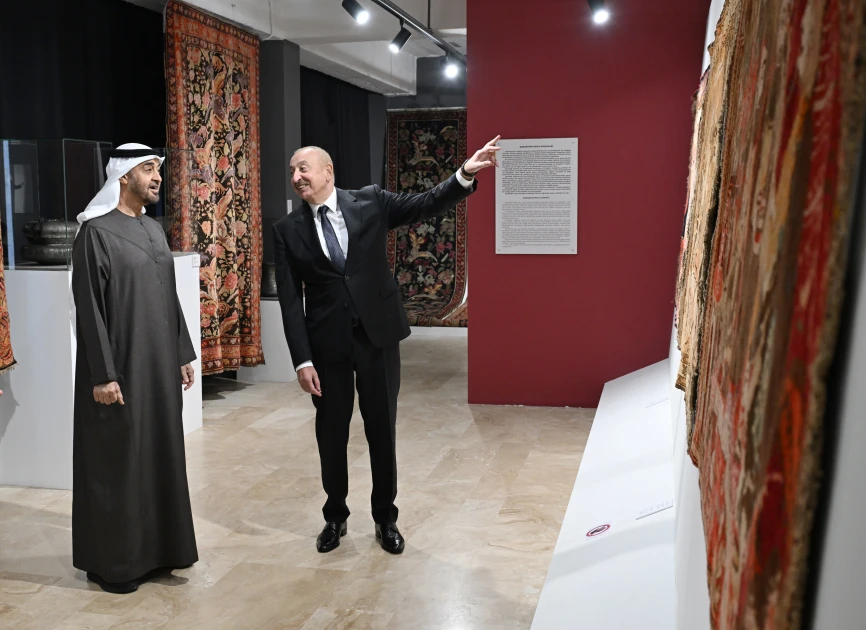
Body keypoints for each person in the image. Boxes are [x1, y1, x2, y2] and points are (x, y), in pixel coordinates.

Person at [273, 136, 501, 554]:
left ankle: (385, 518)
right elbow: (290, 301)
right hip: (327, 346)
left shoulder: (370, 201)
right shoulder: (287, 230)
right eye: (292, 172)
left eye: (303, 168)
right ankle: (335, 516)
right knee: (331, 433)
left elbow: (425, 203)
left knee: (382, 428)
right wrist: (302, 360)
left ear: (328, 172)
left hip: (376, 337)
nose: (297, 177)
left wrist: (465, 173)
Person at [70, 143, 198, 594]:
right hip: (121, 369)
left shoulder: (154, 230)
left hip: (159, 367)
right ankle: (118, 564)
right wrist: (103, 375)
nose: (157, 177)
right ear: (124, 176)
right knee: (121, 462)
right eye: (148, 169)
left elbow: (168, 295)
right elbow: (89, 309)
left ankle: (161, 553)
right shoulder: (95, 233)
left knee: (160, 453)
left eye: (158, 169)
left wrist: (181, 352)